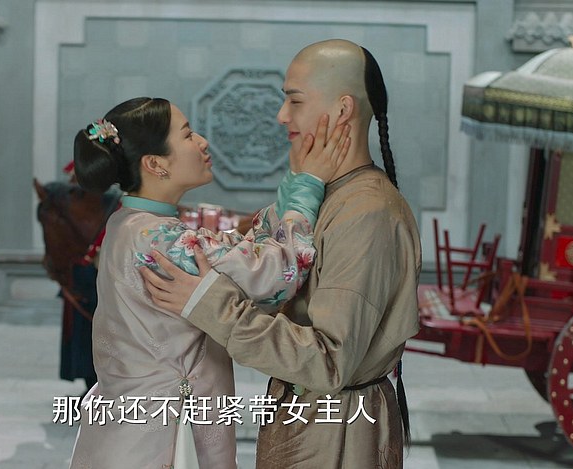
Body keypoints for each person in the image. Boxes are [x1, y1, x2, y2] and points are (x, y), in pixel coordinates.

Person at [140, 39, 421, 468]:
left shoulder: (367, 213)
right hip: (308, 419)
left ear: (342, 110)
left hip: (337, 436)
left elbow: (328, 362)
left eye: (295, 100)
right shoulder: (328, 192)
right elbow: (261, 252)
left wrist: (210, 305)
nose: (281, 116)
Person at [68, 96, 350, 469]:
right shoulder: (164, 240)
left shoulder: (128, 223)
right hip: (166, 437)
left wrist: (291, 191)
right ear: (155, 164)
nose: (202, 142)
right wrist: (305, 190)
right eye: (187, 135)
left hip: (129, 429)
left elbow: (232, 255)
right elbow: (276, 277)